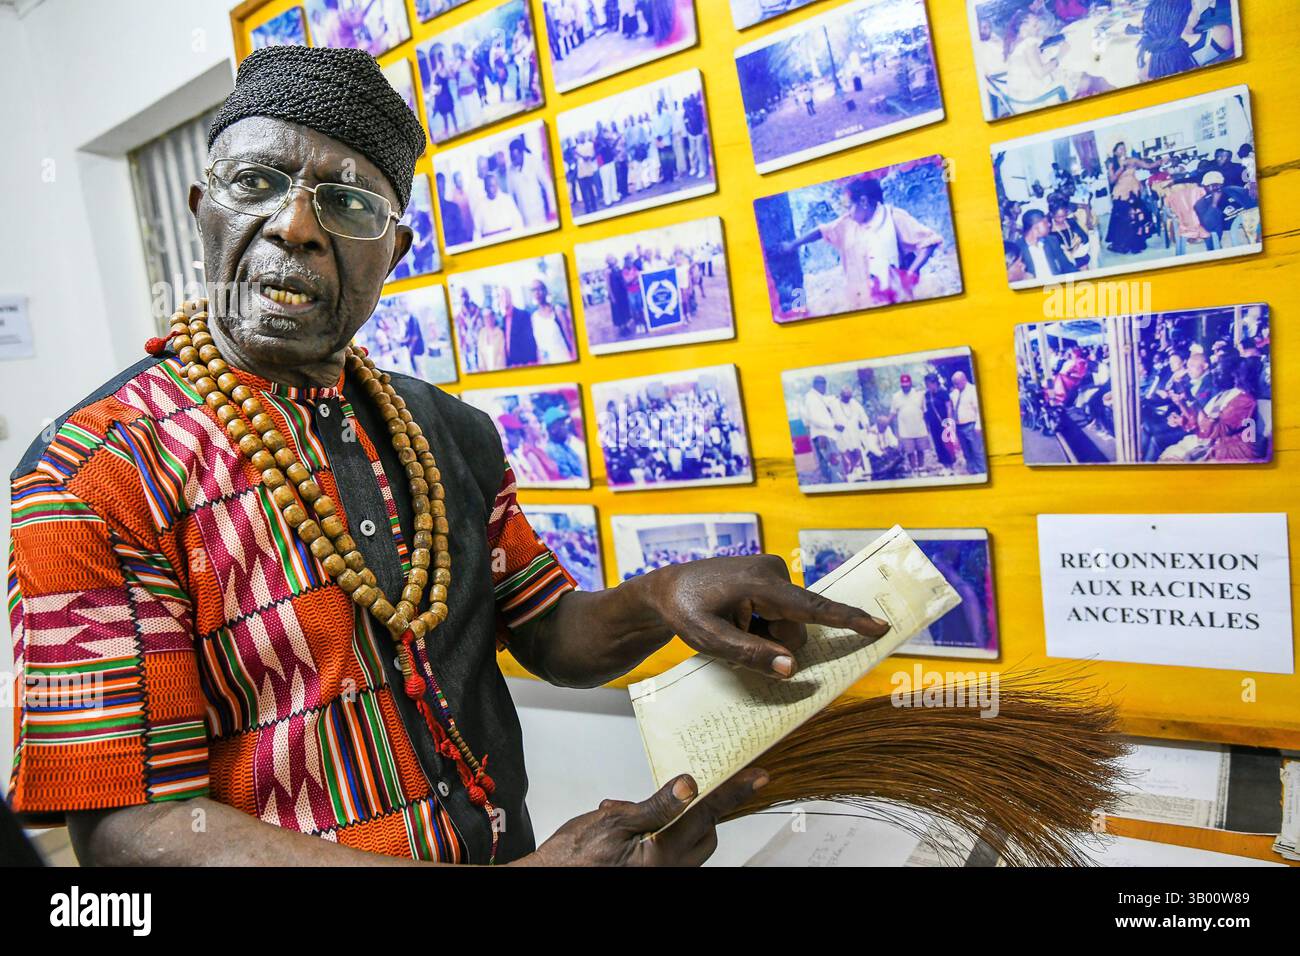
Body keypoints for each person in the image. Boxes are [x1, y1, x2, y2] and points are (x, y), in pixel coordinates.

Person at [7, 46, 890, 869]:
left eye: (349, 205)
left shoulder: (445, 432)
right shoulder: (94, 472)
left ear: (396, 251)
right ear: (203, 212)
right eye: (256, 182)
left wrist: (661, 596)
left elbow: (548, 632)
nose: (296, 225)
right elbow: (130, 824)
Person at [778, 176, 943, 310]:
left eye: (849, 206)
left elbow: (929, 242)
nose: (846, 212)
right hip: (859, 302)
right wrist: (792, 245)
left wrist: (910, 273)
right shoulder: (847, 223)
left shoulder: (895, 218)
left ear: (864, 201)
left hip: (895, 301)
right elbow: (821, 231)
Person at [505, 135, 556, 228]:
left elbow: (547, 184)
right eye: (511, 158)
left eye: (515, 157)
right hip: (522, 218)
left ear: (521, 153)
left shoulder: (534, 161)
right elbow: (511, 195)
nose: (513, 161)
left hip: (539, 214)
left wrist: (552, 208)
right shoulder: (510, 170)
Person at [802, 375, 840, 484]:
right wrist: (833, 425)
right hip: (822, 436)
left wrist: (835, 397)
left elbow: (827, 400)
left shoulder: (818, 397)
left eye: (825, 384)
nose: (825, 388)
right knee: (832, 463)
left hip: (826, 435)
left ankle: (831, 483)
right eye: (823, 385)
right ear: (816, 385)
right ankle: (832, 485)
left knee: (831, 464)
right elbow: (815, 418)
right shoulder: (811, 398)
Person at [528, 279, 575, 364]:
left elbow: (570, 339)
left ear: (545, 291)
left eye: (539, 289)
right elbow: (538, 347)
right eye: (533, 290)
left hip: (564, 360)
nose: (537, 293)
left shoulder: (557, 311)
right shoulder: (534, 318)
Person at [889, 373, 929, 472]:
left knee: (920, 450)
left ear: (911, 384)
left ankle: (921, 467)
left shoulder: (919, 394)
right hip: (905, 429)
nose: (905, 387)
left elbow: (925, 410)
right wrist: (885, 423)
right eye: (903, 386)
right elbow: (893, 412)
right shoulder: (896, 396)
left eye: (907, 385)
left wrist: (928, 426)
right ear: (900, 385)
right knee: (910, 451)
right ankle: (914, 469)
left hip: (919, 427)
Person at [472, 169, 524, 240]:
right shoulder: (480, 206)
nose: (491, 189)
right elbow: (477, 232)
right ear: (485, 188)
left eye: (494, 186)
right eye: (489, 186)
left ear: (497, 185)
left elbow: (518, 222)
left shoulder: (507, 200)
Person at [950, 370, 984, 474]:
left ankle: (982, 471)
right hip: (960, 427)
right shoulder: (954, 394)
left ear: (964, 380)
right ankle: (972, 471)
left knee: (977, 451)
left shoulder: (973, 391)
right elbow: (953, 408)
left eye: (958, 383)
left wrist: (978, 425)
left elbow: (978, 409)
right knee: (966, 452)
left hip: (971, 425)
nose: (956, 386)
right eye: (954, 384)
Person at [922, 372, 956, 470]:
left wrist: (949, 421)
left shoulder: (943, 392)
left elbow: (949, 406)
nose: (927, 385)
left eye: (929, 383)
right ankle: (943, 463)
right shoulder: (927, 395)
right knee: (938, 443)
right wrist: (926, 423)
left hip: (944, 422)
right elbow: (925, 409)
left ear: (935, 382)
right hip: (933, 424)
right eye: (926, 384)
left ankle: (951, 463)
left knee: (947, 442)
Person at [542, 405, 585, 479]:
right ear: (553, 429)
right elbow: (569, 478)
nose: (566, 427)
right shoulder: (553, 450)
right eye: (562, 424)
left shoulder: (564, 445)